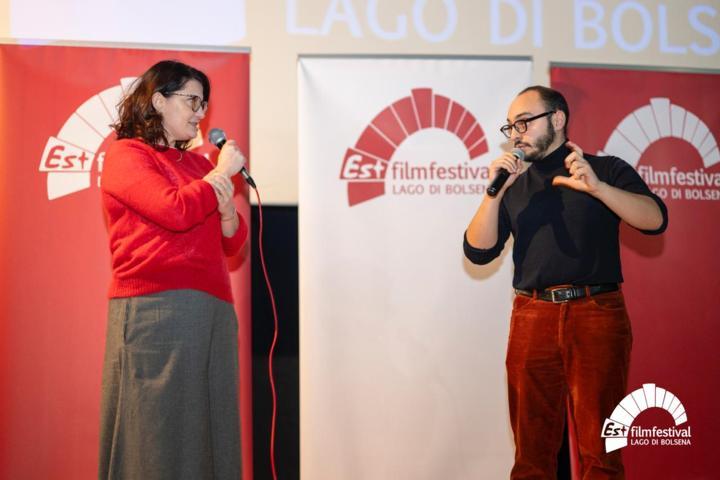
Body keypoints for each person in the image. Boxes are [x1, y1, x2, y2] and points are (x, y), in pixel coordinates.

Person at [464, 86, 667, 479]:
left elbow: (655, 219)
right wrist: (493, 194)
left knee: (600, 455)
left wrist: (599, 189)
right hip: (532, 316)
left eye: (524, 122)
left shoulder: (603, 169)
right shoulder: (514, 185)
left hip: (597, 314)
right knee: (531, 456)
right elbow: (478, 251)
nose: (516, 133)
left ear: (557, 119)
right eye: (511, 126)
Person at [98, 60, 248, 480]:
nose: (201, 113)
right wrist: (221, 175)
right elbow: (174, 210)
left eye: (204, 104)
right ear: (158, 101)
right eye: (192, 101)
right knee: (158, 431)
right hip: (157, 309)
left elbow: (234, 242)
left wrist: (225, 209)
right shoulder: (127, 155)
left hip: (213, 309)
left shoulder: (200, 167)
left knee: (213, 428)